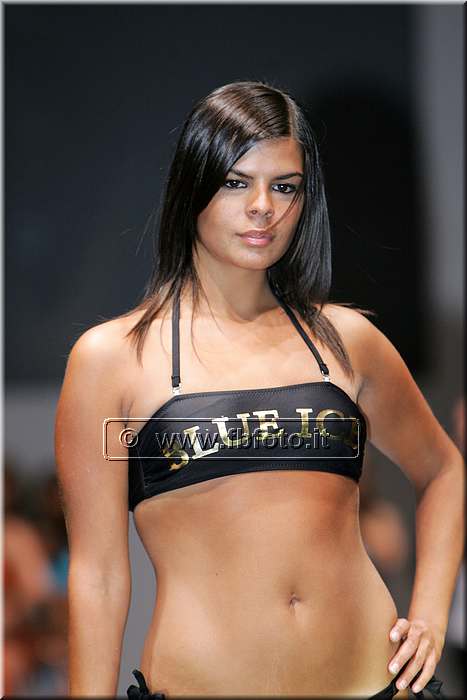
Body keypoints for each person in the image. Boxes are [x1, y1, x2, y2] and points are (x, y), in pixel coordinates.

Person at [55, 80, 464, 698]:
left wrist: (430, 616)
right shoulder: (112, 361)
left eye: (285, 187)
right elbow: (99, 576)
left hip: (375, 686)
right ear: (192, 186)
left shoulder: (346, 341)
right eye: (235, 182)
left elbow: (443, 470)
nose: (262, 207)